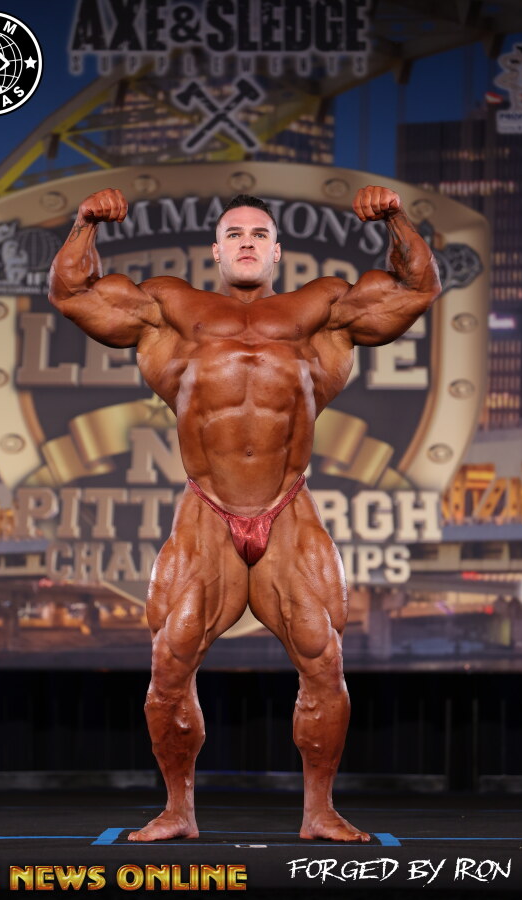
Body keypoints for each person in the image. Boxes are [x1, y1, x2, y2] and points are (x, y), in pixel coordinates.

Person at [49, 185, 441, 842]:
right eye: (235, 234)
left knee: (324, 663)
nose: (248, 242)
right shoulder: (172, 308)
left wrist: (397, 219)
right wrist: (85, 222)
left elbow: (417, 288)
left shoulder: (322, 307)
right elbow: (72, 292)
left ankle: (319, 812)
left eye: (259, 233)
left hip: (288, 510)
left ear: (278, 250)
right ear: (217, 250)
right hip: (206, 512)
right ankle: (178, 810)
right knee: (169, 665)